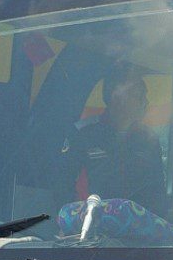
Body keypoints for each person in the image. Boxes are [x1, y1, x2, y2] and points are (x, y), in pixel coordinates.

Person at [60, 66, 167, 216]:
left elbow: (158, 192)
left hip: (140, 225)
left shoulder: (149, 139)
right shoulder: (83, 134)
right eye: (139, 96)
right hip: (94, 223)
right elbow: (63, 186)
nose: (146, 102)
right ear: (116, 97)